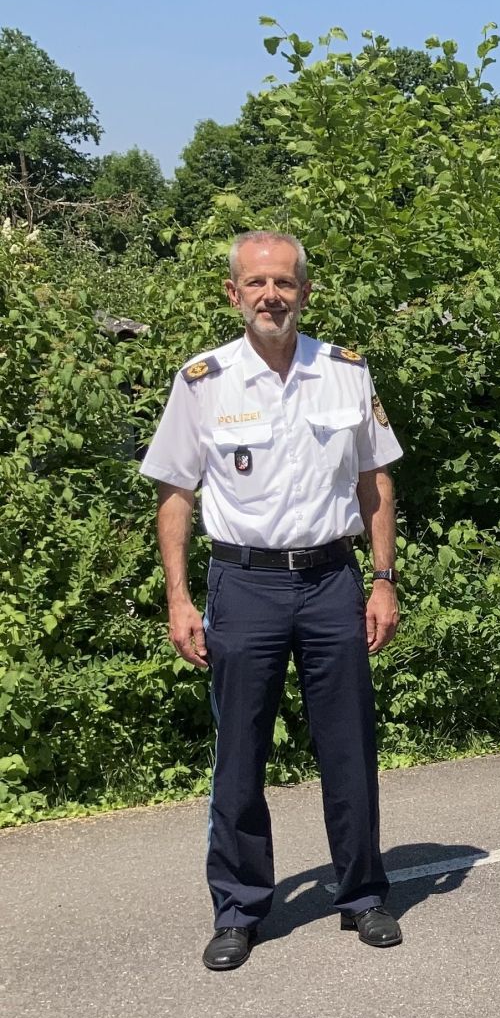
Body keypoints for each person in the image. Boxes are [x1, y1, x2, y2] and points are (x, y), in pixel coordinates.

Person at [142, 230, 404, 971]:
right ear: (233, 293)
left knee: (349, 746)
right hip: (244, 582)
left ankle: (362, 895)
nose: (271, 296)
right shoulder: (203, 381)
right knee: (240, 752)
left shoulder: (347, 373)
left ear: (305, 292)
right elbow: (174, 495)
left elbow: (375, 483)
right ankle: (238, 908)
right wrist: (179, 597)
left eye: (284, 283)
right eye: (256, 284)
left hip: (331, 582)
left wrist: (384, 579)